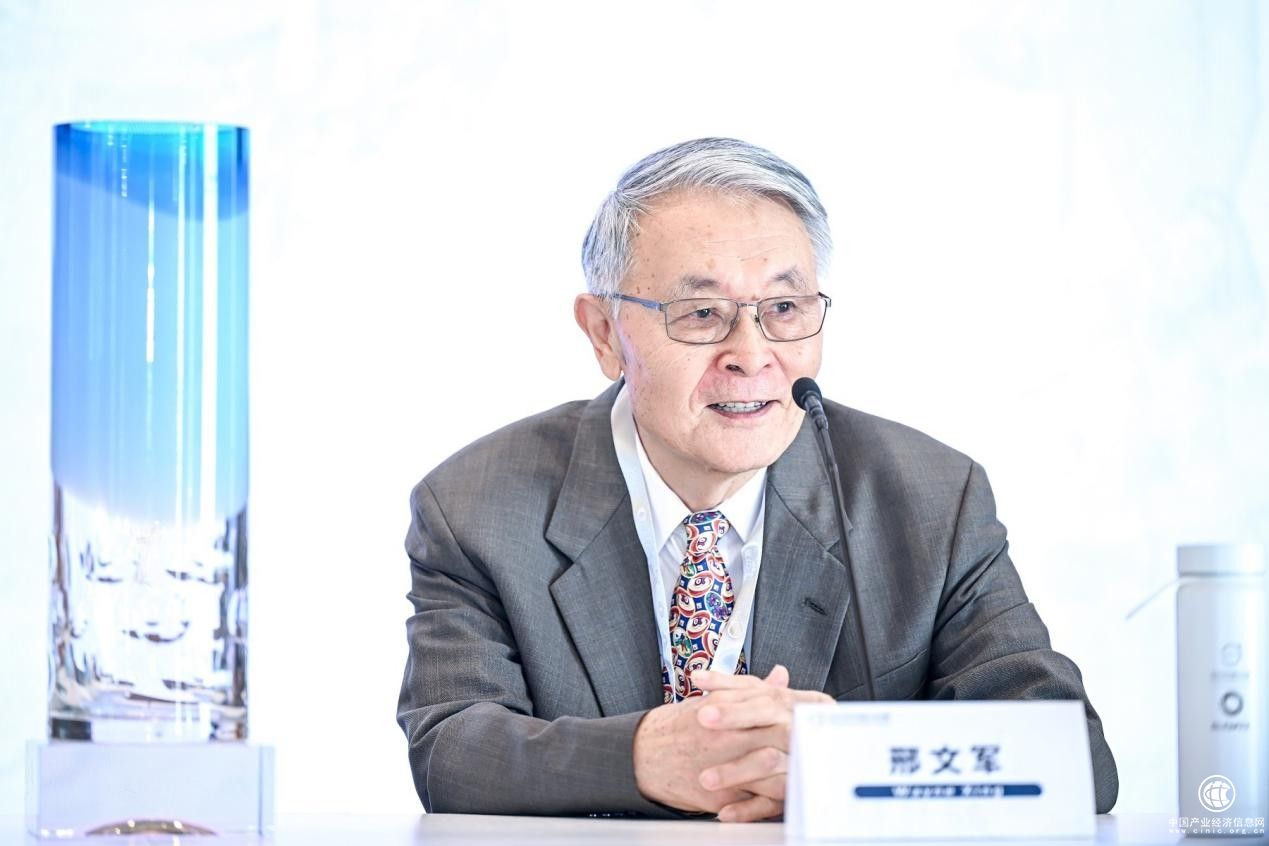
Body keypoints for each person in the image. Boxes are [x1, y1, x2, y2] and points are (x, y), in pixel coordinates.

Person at [396, 137, 1118, 821]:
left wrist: (838, 759)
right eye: (701, 313)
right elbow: (451, 754)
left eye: (783, 309)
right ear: (604, 333)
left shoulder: (929, 499)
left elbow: (1075, 762)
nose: (751, 354)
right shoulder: (476, 506)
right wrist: (645, 757)